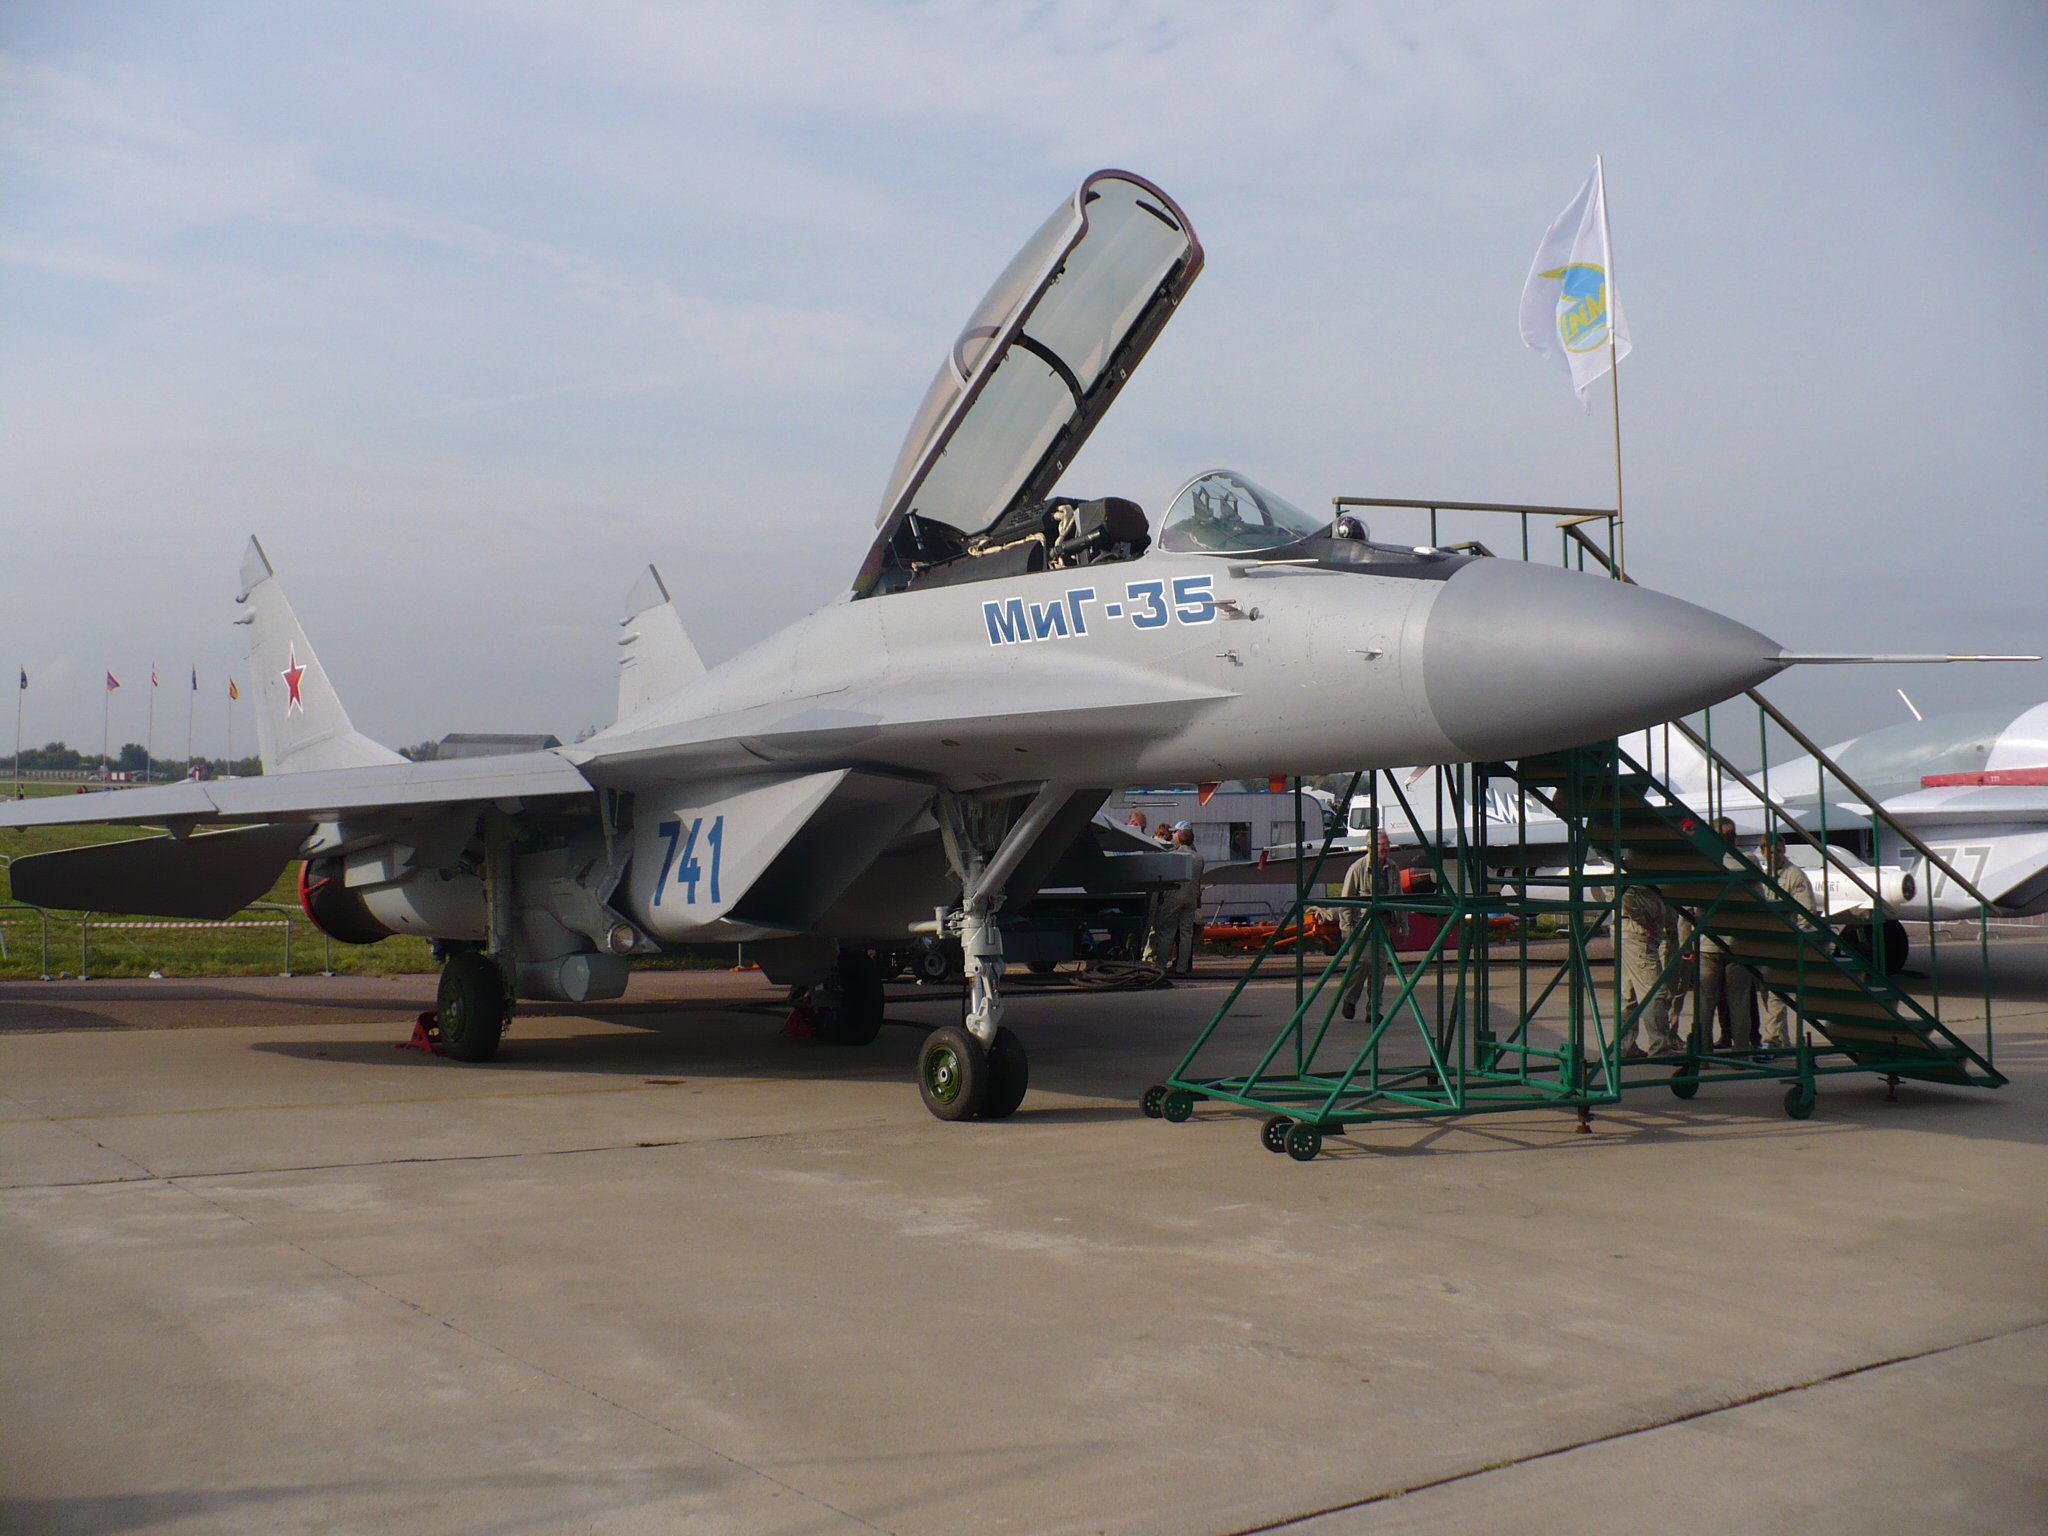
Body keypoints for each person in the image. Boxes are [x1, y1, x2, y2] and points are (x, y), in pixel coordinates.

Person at [1695, 816, 1755, 1051]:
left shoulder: (1703, 863)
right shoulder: (1746, 861)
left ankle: (1703, 1051)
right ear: (1735, 839)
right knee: (1739, 1001)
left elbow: (1692, 906)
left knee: (1705, 1002)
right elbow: (1759, 898)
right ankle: (1741, 1052)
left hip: (1708, 942)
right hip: (1739, 941)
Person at [1757, 832, 1815, 1053]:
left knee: (1776, 994)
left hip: (1786, 943)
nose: (1776, 856)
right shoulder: (1763, 875)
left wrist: (1794, 939)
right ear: (1763, 852)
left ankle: (1771, 1041)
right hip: (1767, 943)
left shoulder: (1794, 875)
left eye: (1780, 851)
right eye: (1772, 852)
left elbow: (1807, 911)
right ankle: (1783, 1040)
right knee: (1768, 993)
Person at [1338, 831, 1396, 1020]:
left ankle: (1373, 1011)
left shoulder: (1392, 868)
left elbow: (1399, 896)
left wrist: (1404, 926)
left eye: (1387, 844)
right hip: (1361, 925)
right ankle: (1350, 999)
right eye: (1381, 844)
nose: (1386, 848)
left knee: (1379, 968)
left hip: (1383, 924)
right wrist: (1346, 929)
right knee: (1362, 962)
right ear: (1371, 846)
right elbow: (1346, 900)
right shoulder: (1357, 868)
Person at [1618, 880, 1678, 1058]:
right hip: (1638, 935)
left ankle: (1626, 1045)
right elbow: (1621, 892)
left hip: (1635, 933)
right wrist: (1642, 920)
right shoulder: (1631, 876)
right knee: (1654, 992)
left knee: (1629, 994)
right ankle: (1660, 1046)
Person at [1143, 825, 1205, 974]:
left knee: (1167, 931)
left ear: (1178, 839)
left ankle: (1161, 964)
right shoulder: (1199, 858)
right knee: (1186, 932)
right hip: (1190, 898)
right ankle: (1182, 967)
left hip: (1173, 898)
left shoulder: (1173, 856)